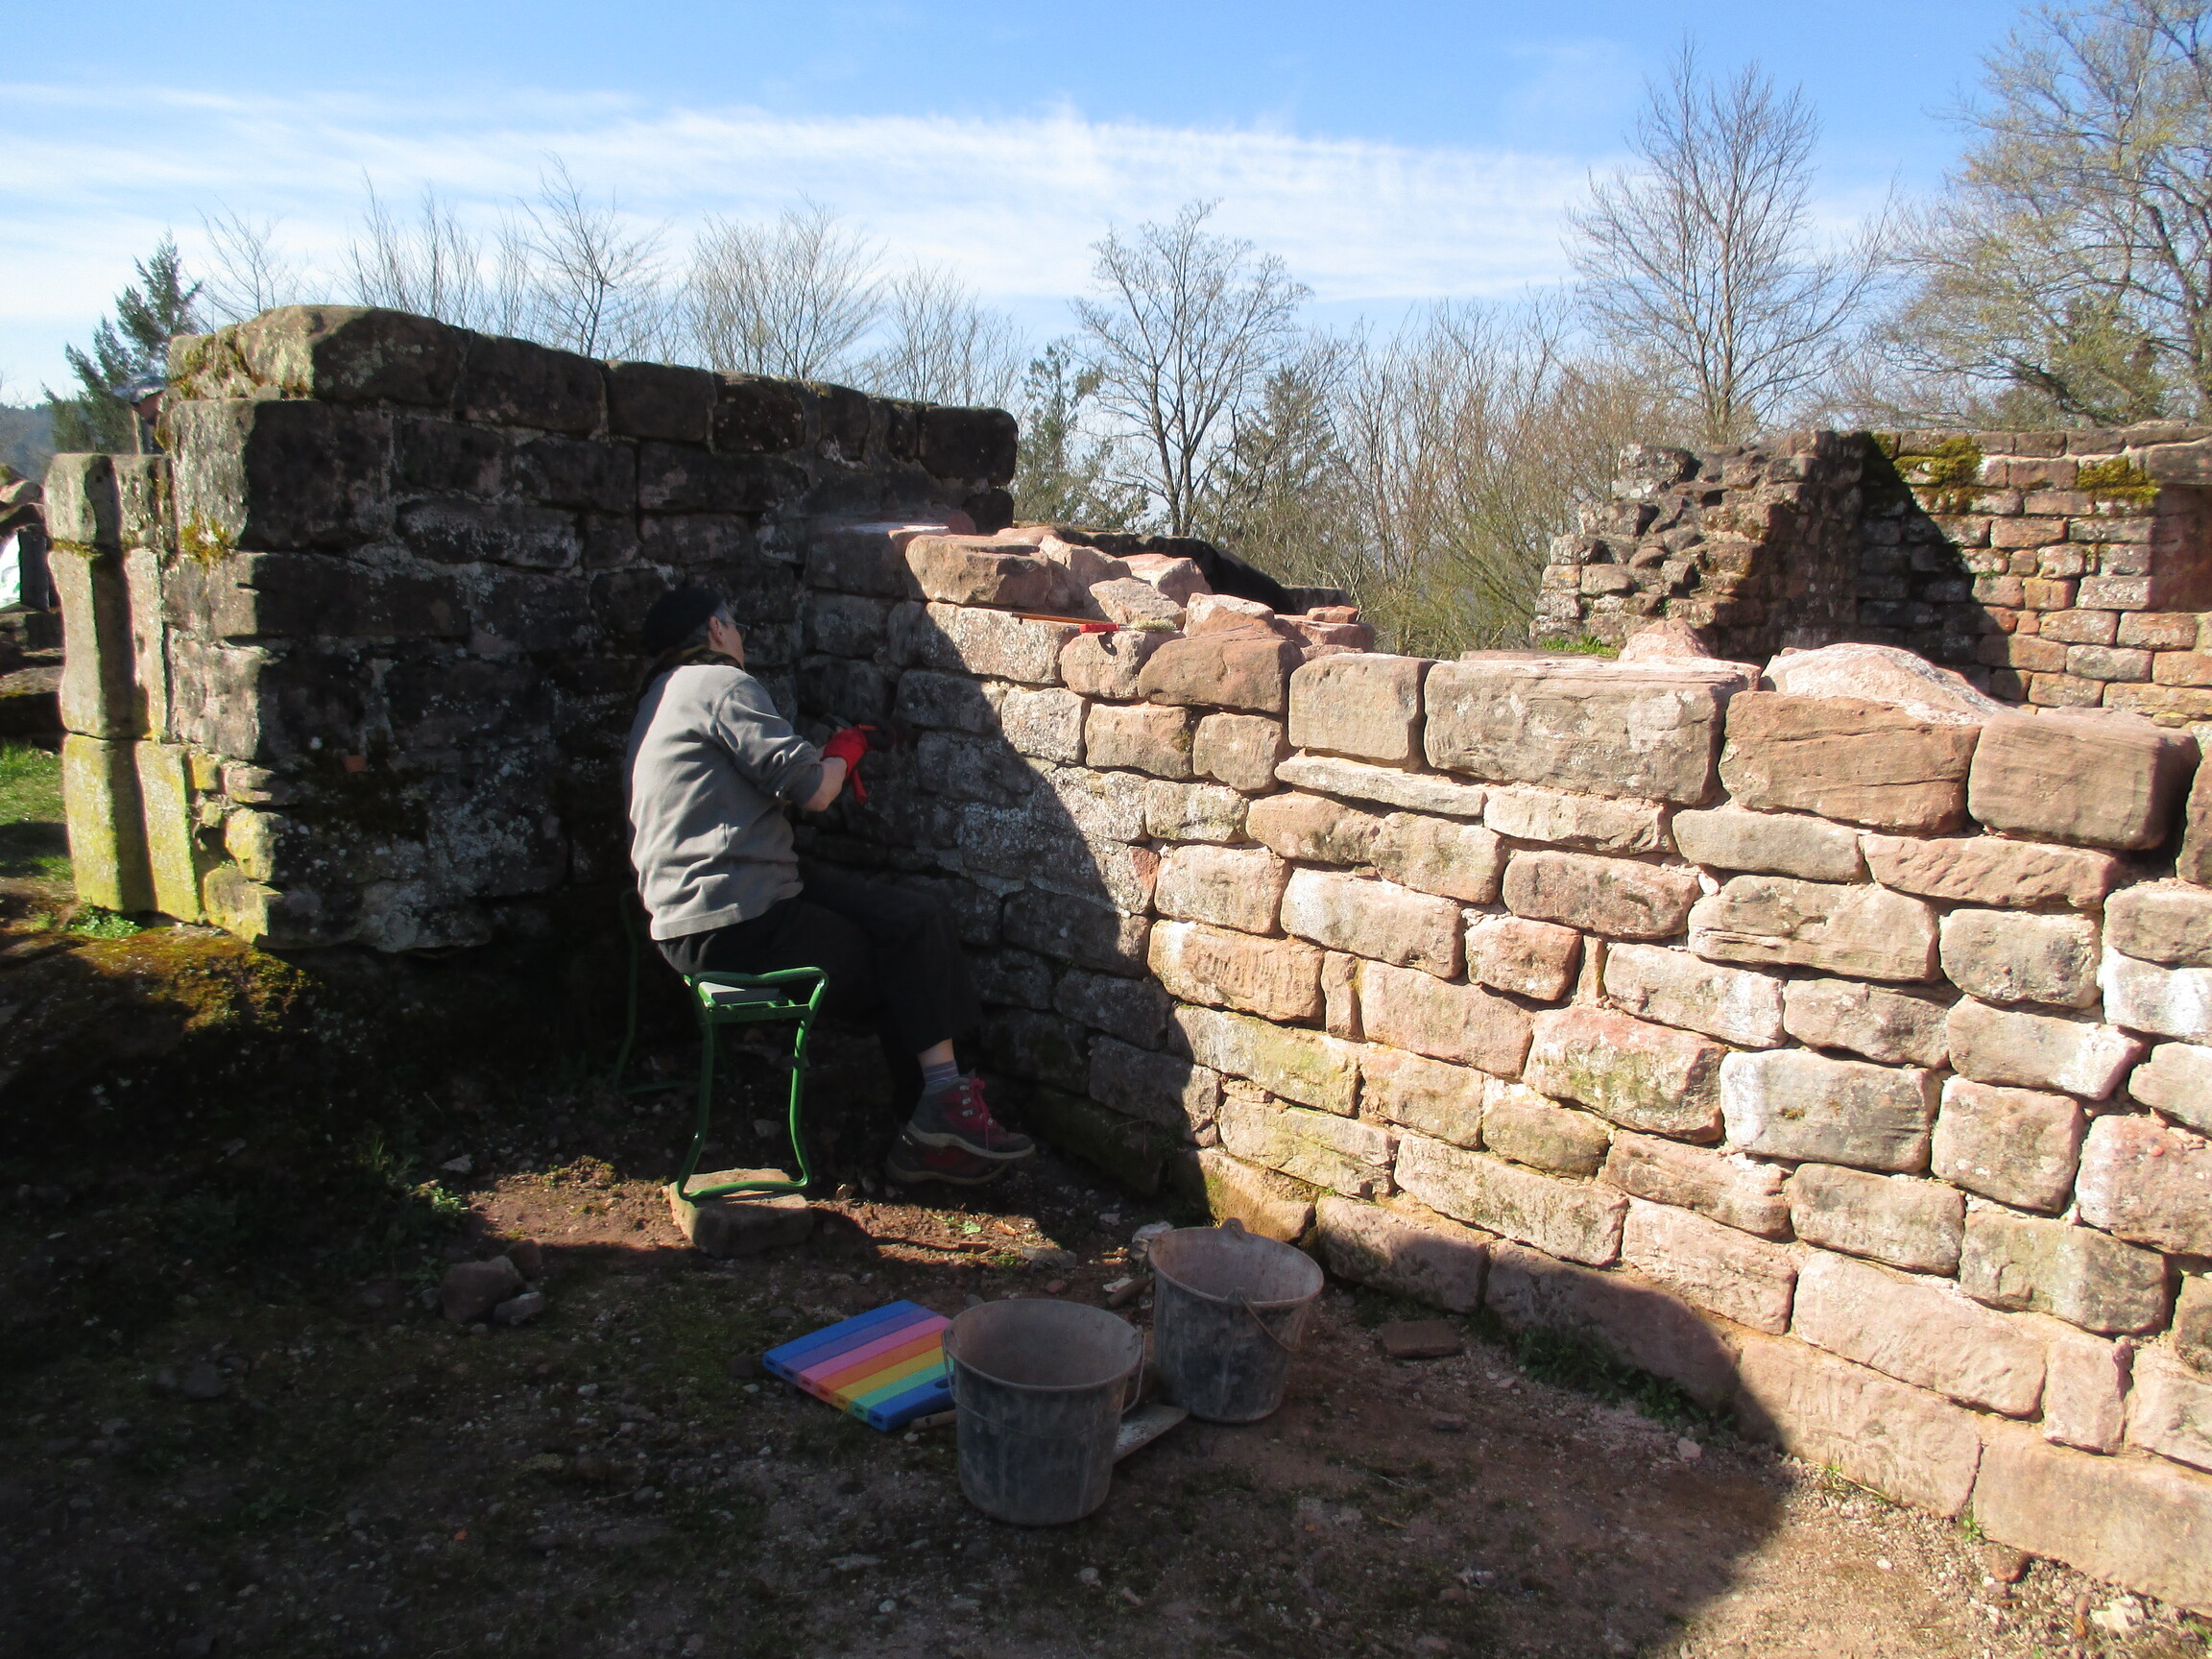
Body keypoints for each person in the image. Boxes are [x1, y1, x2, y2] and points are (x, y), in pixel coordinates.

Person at [622, 585, 1033, 1187]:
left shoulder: (658, 700)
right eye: (734, 624)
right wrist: (848, 749)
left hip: (698, 918)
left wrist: (825, 758)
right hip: (737, 921)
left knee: (912, 918)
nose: (740, 636)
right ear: (714, 629)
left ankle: (936, 1119)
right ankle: (938, 1123)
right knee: (905, 960)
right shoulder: (720, 685)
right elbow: (815, 791)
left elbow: (765, 775)